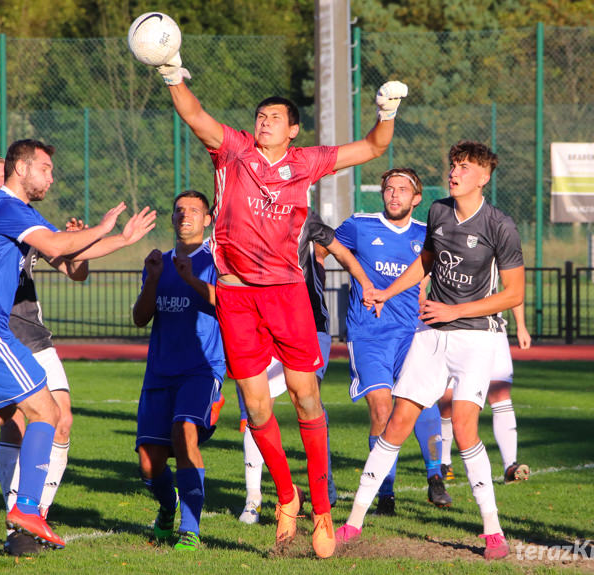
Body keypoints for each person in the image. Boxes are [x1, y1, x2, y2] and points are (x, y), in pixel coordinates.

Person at [151, 44, 406, 559]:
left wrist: (387, 113)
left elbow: (374, 148)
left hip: (288, 295)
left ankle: (322, 508)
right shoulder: (234, 151)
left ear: (293, 129)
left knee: (306, 398)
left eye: (275, 118)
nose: (264, 122)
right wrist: (172, 72)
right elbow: (195, 115)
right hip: (239, 298)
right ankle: (286, 497)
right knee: (257, 407)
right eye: (260, 116)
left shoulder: (307, 162)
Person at [0, 139, 156, 549]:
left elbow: (66, 255)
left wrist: (123, 240)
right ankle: (26, 509)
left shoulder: (18, 210)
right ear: (22, 169)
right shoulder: (6, 206)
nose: (51, 176)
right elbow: (58, 245)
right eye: (45, 168)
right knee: (45, 409)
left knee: (5, 410)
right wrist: (103, 227)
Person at [335, 141, 524, 561]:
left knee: (463, 425)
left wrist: (456, 309)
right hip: (431, 333)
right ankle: (353, 522)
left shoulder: (500, 225)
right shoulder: (437, 212)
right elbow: (426, 262)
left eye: (465, 167)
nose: (455, 172)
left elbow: (513, 294)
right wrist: (387, 290)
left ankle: (492, 529)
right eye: (453, 165)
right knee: (398, 421)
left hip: (474, 338)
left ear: (484, 177)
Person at [0, 156, 86, 556]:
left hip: (29, 335)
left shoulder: (25, 218)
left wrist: (80, 245)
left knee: (59, 419)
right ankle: (18, 526)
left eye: (0, 176)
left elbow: (75, 272)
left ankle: (33, 513)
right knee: (8, 421)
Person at [235, 210, 374, 523]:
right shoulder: (245, 217)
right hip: (263, 327)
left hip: (311, 329)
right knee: (257, 409)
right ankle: (253, 499)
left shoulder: (304, 219)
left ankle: (322, 492)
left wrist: (364, 282)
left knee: (309, 403)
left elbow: (341, 250)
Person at [334, 168, 451, 516]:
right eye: (389, 189)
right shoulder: (359, 224)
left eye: (403, 190)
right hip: (368, 334)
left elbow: (432, 274)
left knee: (422, 401)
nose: (394, 195)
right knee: (382, 408)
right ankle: (386, 493)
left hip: (412, 334)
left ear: (417, 198)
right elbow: (327, 249)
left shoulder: (426, 235)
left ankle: (435, 476)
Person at [132, 190, 225, 551]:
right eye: (179, 210)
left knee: (184, 432)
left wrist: (191, 279)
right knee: (148, 464)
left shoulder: (217, 261)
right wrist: (154, 278)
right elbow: (141, 318)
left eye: (193, 211)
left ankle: (190, 529)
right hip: (159, 372)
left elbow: (229, 306)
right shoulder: (158, 262)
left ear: (207, 220)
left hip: (202, 369)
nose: (184, 215)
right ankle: (169, 507)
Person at [439, 303, 531, 483]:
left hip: (493, 330)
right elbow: (422, 282)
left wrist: (521, 325)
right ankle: (444, 462)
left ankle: (510, 466)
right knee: (447, 400)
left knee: (500, 393)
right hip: (454, 331)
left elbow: (514, 288)